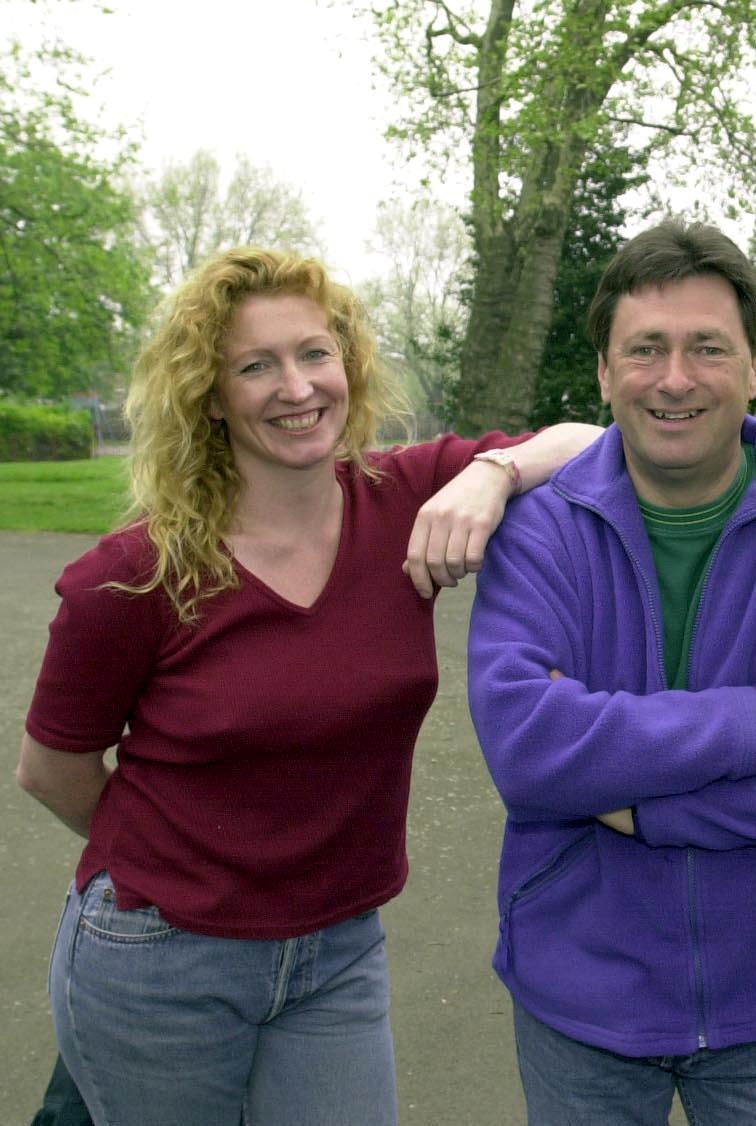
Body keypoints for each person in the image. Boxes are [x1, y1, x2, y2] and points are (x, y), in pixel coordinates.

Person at [16, 246, 600, 1126]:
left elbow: (593, 442)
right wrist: (197, 865)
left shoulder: (406, 498)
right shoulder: (133, 575)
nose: (296, 387)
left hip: (338, 951)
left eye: (314, 353)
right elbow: (50, 770)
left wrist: (494, 471)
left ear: (347, 364)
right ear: (211, 396)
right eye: (255, 366)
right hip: (162, 958)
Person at [467, 220, 756, 1124]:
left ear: (755, 368)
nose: (675, 378)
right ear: (605, 374)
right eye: (646, 349)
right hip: (580, 997)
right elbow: (529, 752)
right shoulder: (539, 531)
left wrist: (645, 809)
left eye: (708, 348)